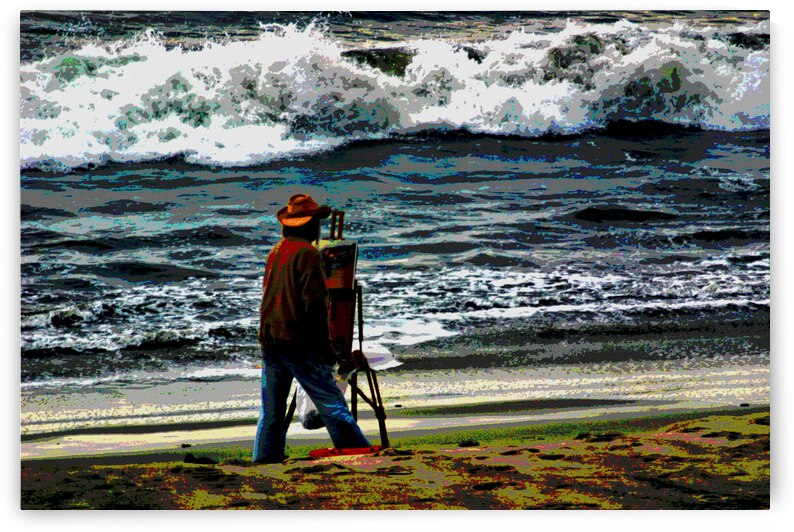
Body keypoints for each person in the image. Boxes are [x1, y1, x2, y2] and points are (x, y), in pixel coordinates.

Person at [253, 193, 370, 463]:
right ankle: (357, 451)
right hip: (297, 341)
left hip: (270, 338)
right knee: (331, 402)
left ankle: (264, 459)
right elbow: (315, 306)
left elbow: (270, 297)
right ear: (310, 225)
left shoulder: (276, 251)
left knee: (271, 411)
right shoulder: (308, 254)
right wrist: (325, 349)